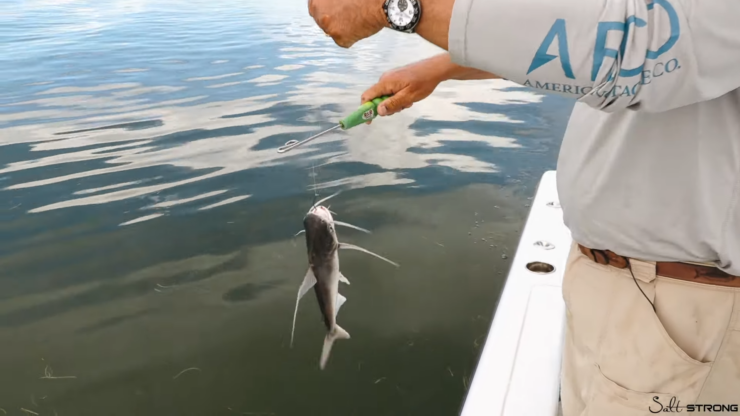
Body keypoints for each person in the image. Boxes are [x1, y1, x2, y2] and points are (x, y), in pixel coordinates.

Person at [307, 0, 740, 414]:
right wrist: (439, 68)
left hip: (686, 316)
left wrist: (393, 7)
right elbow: (593, 27)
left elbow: (632, 47)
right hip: (624, 293)